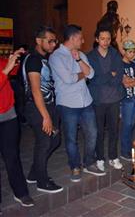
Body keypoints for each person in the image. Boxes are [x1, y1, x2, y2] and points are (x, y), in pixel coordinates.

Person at [49, 24, 106, 182]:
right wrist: (82, 73)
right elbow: (68, 79)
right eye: (80, 38)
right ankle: (75, 166)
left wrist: (79, 60)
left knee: (92, 133)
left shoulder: (81, 54)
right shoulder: (56, 57)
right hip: (68, 104)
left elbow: (92, 74)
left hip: (85, 101)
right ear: (73, 38)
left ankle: (89, 162)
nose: (83, 41)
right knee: (71, 138)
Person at [22, 26, 62, 193]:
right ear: (39, 41)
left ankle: (33, 173)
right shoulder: (33, 60)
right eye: (50, 41)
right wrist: (45, 116)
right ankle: (42, 181)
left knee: (54, 140)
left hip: (47, 106)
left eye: (55, 41)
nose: (53, 44)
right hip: (38, 108)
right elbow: (35, 89)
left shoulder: (43, 59)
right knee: (45, 143)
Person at [0, 48, 34, 208]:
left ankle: (20, 192)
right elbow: (4, 74)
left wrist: (15, 59)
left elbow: (11, 72)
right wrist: (6, 70)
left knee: (12, 156)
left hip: (8, 115)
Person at [87, 28, 125, 171]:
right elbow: (93, 79)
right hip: (98, 99)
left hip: (114, 98)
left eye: (108, 39)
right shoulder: (90, 56)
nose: (105, 42)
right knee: (99, 131)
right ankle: (100, 158)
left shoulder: (115, 54)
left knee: (114, 130)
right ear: (97, 39)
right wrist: (110, 74)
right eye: (102, 38)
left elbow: (119, 74)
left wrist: (110, 78)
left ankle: (113, 157)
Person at [119, 40, 135, 160]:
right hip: (126, 99)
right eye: (129, 52)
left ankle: (129, 148)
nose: (132, 54)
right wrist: (133, 82)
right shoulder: (120, 65)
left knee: (132, 124)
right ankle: (124, 151)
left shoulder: (133, 64)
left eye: (133, 52)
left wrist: (131, 81)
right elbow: (125, 84)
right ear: (123, 51)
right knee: (127, 125)